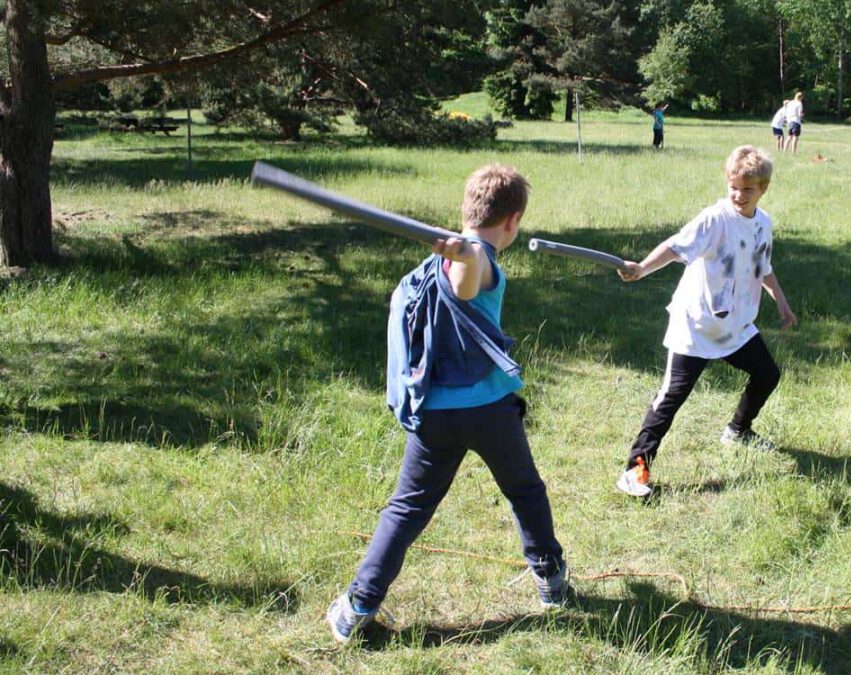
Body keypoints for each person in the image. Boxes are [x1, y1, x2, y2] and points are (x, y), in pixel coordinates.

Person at [326, 165, 569, 642]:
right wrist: (465, 253)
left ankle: (357, 608)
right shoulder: (475, 257)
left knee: (406, 510)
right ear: (513, 221)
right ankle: (552, 581)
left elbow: (462, 275)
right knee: (525, 491)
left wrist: (462, 251)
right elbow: (465, 282)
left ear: (465, 209)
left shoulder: (457, 253)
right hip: (490, 411)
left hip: (435, 412)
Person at [613, 146, 798, 498]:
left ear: (763, 188)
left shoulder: (763, 224)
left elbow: (763, 267)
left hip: (735, 328)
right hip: (696, 327)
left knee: (767, 375)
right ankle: (634, 470)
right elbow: (676, 246)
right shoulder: (715, 219)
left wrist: (781, 301)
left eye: (747, 189)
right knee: (671, 398)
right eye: (733, 187)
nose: (738, 195)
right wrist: (642, 268)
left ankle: (738, 431)